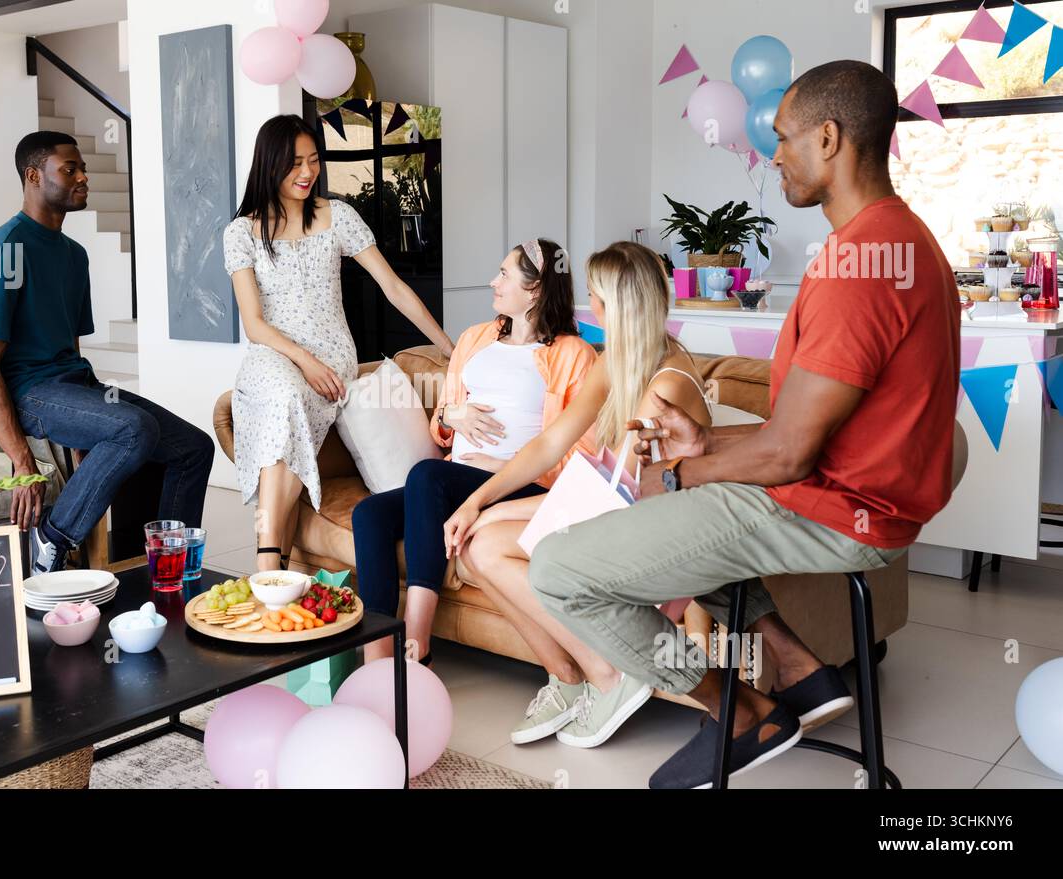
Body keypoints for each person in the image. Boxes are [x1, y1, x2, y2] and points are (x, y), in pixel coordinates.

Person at [525, 61, 960, 787]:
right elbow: (805, 431)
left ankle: (738, 712)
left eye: (783, 138)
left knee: (559, 571)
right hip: (856, 497)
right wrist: (706, 442)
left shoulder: (859, 267)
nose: (774, 154)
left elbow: (788, 452)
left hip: (837, 515)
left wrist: (685, 469)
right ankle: (796, 666)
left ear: (829, 138)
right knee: (679, 493)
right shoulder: (905, 239)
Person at [442, 241, 710, 748]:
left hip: (651, 535)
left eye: (594, 297)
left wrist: (494, 510)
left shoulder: (665, 381)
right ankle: (566, 678)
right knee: (476, 545)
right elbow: (551, 445)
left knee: (485, 547)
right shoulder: (620, 361)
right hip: (614, 513)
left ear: (617, 304)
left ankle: (608, 674)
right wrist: (477, 504)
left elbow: (617, 498)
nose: (588, 307)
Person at [0, 131, 216, 574]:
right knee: (134, 428)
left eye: (84, 169)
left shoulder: (73, 255)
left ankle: (164, 568)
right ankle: (51, 540)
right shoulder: (3, 250)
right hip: (28, 392)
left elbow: (71, 349)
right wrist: (24, 463)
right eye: (70, 169)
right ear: (33, 176)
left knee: (193, 447)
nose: (83, 178)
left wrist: (88, 424)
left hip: (74, 388)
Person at [224, 115, 454, 573]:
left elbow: (393, 287)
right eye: (294, 164)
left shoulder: (337, 216)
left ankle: (268, 571)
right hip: (274, 357)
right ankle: (274, 568)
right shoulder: (240, 233)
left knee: (286, 418)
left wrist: (449, 345)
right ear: (268, 166)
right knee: (285, 403)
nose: (307, 173)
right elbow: (254, 324)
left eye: (313, 161)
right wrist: (303, 361)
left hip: (333, 360)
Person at [353, 238, 597, 666]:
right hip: (455, 479)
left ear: (535, 289)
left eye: (503, 274)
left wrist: (505, 466)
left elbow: (583, 454)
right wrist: (452, 416)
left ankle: (416, 642)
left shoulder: (573, 355)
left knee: (427, 475)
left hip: (519, 485)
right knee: (369, 514)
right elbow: (441, 423)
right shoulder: (475, 339)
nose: (493, 282)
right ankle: (376, 657)